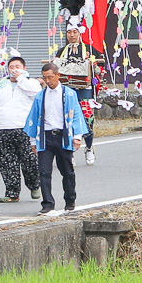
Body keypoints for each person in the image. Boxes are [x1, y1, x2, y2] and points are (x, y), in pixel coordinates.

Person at [25, 60, 88, 214]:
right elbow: (34, 118)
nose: (48, 81)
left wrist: (77, 136)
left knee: (67, 171)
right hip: (45, 137)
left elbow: (76, 115)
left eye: (50, 77)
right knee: (44, 171)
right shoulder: (41, 96)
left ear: (58, 75)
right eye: (45, 78)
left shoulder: (69, 94)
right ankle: (47, 204)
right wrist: (33, 141)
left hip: (63, 135)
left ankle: (70, 200)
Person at [0, 55, 41, 204]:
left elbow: (35, 93)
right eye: (11, 67)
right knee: (7, 162)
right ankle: (12, 192)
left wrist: (21, 78)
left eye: (17, 67)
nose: (14, 70)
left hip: (24, 128)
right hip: (3, 129)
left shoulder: (31, 83)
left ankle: (34, 185)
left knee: (29, 160)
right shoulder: (1, 85)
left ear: (24, 68)